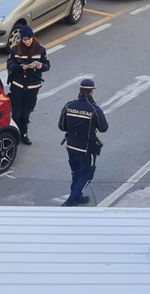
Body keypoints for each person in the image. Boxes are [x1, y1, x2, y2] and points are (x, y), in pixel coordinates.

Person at [58, 78, 108, 206]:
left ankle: (76, 195)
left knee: (76, 172)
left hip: (70, 146)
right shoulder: (94, 109)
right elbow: (103, 128)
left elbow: (62, 126)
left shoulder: (69, 106)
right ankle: (73, 199)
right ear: (91, 92)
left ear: (80, 90)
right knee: (86, 175)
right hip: (86, 148)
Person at [7, 25, 49, 146]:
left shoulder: (40, 50)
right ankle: (15, 136)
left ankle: (24, 134)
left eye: (29, 39)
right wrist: (20, 67)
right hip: (17, 85)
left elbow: (47, 65)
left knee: (26, 113)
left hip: (32, 87)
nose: (27, 42)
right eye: (24, 40)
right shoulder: (15, 50)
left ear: (32, 37)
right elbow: (9, 64)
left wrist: (40, 66)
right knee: (16, 113)